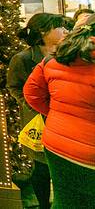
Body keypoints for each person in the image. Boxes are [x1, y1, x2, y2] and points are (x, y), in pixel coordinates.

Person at [24, 14, 95, 208]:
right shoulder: (27, 57)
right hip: (88, 152)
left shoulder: (55, 57)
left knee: (64, 200)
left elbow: (31, 93)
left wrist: (58, 114)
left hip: (56, 144)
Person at [7, 13, 67, 209]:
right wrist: (32, 105)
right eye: (59, 27)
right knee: (42, 167)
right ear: (43, 32)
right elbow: (14, 86)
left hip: (61, 119)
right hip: (37, 119)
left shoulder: (65, 54)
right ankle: (43, 205)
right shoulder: (23, 58)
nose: (65, 31)